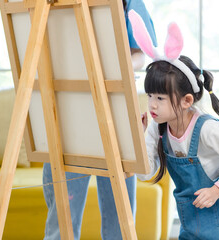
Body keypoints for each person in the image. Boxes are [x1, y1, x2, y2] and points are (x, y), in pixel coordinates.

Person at [129, 10, 219, 240]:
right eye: (150, 95)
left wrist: (216, 190)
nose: (151, 104)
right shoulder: (157, 127)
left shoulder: (206, 128)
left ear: (187, 101)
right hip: (195, 216)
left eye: (160, 98)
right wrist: (140, 137)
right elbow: (146, 175)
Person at [43, 1, 157, 240]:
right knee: (61, 220)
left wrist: (114, 69)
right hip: (68, 112)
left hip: (115, 109)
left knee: (120, 218)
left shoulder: (130, 2)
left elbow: (143, 53)